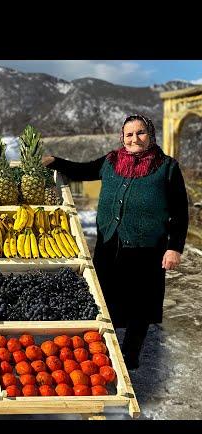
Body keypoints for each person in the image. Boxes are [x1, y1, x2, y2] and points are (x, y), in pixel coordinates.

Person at [42, 114, 189, 370]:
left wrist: (174, 247)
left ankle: (130, 356)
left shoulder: (167, 167)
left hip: (147, 247)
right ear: (122, 137)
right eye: (129, 134)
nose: (134, 138)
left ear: (150, 135)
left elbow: (179, 210)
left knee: (141, 305)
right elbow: (83, 169)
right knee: (105, 297)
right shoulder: (111, 161)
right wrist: (56, 162)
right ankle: (101, 349)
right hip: (110, 243)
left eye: (140, 133)